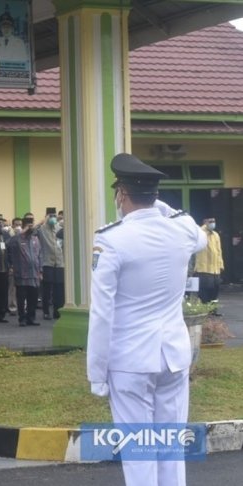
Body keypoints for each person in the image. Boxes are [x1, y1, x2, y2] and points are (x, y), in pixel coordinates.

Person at [88, 153, 207, 486]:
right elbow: (195, 229)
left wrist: (97, 374)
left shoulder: (110, 240)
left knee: (139, 453)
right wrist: (161, 207)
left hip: (130, 361)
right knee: (170, 447)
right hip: (173, 357)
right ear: (155, 195)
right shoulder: (182, 231)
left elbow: (101, 313)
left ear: (122, 194)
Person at [7, 216, 42, 326]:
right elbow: (8, 243)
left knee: (33, 298)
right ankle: (22, 319)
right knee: (21, 299)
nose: (31, 228)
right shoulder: (18, 239)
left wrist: (40, 271)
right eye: (28, 226)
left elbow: (40, 256)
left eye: (32, 225)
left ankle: (31, 318)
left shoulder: (35, 239)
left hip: (34, 274)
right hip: (22, 274)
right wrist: (23, 232)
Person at [35, 208, 64, 320]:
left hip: (60, 263)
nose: (53, 218)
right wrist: (42, 221)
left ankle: (57, 312)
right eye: (50, 216)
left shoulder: (59, 228)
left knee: (59, 290)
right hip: (47, 263)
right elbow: (32, 230)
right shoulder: (42, 229)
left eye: (54, 216)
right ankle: (46, 311)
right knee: (46, 290)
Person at [194, 217, 224, 308]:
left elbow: (219, 251)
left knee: (215, 291)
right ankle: (205, 309)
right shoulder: (200, 233)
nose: (213, 223)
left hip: (215, 269)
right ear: (205, 222)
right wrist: (204, 227)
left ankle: (213, 310)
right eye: (210, 221)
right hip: (204, 269)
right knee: (204, 291)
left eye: (214, 221)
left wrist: (221, 265)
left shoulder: (215, 235)